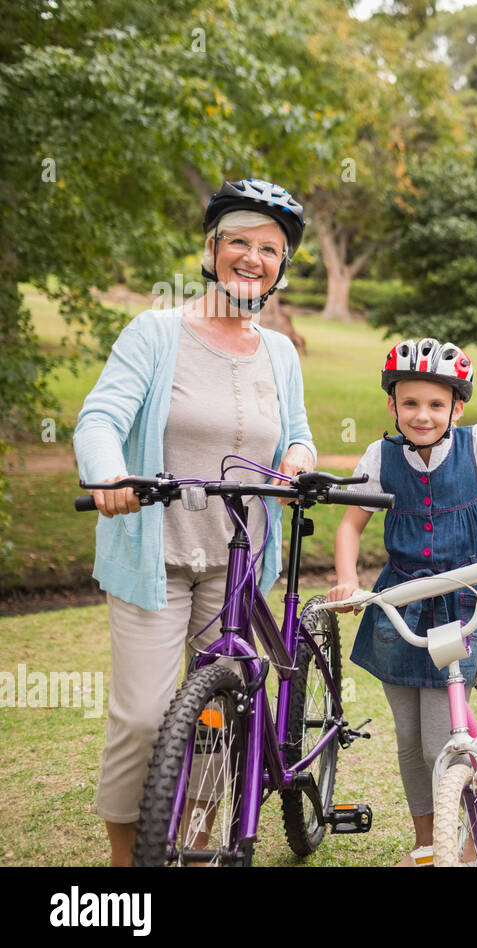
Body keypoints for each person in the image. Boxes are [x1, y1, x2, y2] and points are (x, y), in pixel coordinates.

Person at [74, 178, 317, 866]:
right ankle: (132, 859)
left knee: (218, 718)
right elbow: (101, 419)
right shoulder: (155, 333)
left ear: (280, 267)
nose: (253, 257)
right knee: (144, 718)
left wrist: (297, 461)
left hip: (239, 561)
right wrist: (107, 476)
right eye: (239, 241)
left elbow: (297, 435)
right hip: (157, 556)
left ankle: (202, 842)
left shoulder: (280, 352)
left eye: (269, 249)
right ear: (211, 251)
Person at [326, 337, 477, 866]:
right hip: (401, 600)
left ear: (457, 407)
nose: (422, 414)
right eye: (409, 402)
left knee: (443, 737)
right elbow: (350, 525)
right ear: (392, 405)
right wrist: (347, 579)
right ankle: (428, 843)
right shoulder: (381, 457)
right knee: (410, 739)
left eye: (436, 404)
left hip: (461, 601)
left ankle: (459, 842)